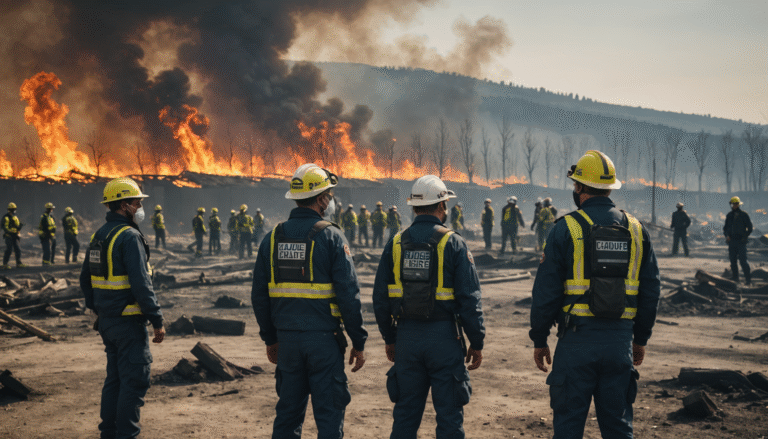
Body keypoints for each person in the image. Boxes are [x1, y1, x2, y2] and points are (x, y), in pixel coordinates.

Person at [530, 150, 660, 439]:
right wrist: (640, 339)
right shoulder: (638, 231)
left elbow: (546, 292)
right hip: (619, 343)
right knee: (618, 427)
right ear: (611, 187)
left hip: (577, 343)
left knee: (567, 427)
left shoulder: (566, 228)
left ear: (578, 188)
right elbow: (651, 292)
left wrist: (539, 339)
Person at [252, 163, 367, 439]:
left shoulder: (272, 239)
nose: (330, 200)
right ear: (321, 199)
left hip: (288, 343)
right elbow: (349, 295)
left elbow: (259, 295)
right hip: (324, 343)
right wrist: (358, 341)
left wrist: (270, 338)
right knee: (329, 416)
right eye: (328, 194)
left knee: (288, 416)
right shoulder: (331, 236)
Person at [373, 174, 485, 438]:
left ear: (413, 207)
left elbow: (380, 298)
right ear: (442, 206)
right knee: (449, 417)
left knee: (405, 415)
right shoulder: (453, 242)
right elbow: (470, 299)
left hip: (407, 339)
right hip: (445, 340)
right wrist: (477, 341)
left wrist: (390, 338)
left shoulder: (396, 244)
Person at [80, 177, 165, 439]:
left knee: (114, 380)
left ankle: (109, 433)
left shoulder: (100, 235)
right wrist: (156, 319)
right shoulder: (128, 236)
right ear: (124, 205)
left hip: (108, 322)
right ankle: (126, 435)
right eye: (137, 201)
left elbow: (86, 280)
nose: (140, 205)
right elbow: (141, 283)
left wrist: (99, 309)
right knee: (134, 381)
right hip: (129, 324)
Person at [724, 196, 752, 284]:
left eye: (736, 204)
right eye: (733, 204)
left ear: (738, 204)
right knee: (733, 261)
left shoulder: (744, 215)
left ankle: (748, 280)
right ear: (731, 204)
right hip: (732, 241)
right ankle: (735, 278)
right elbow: (725, 228)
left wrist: (745, 237)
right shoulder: (729, 215)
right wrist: (727, 236)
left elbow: (750, 228)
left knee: (743, 261)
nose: (734, 205)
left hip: (741, 242)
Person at [2, 202, 25, 269]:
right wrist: (10, 231)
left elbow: (16, 226)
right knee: (9, 249)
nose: (14, 210)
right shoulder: (6, 217)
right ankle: (5, 264)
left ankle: (18, 263)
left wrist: (20, 226)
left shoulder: (15, 216)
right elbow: (5, 227)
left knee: (18, 249)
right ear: (10, 209)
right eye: (13, 209)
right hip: (9, 236)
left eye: (14, 209)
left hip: (15, 236)